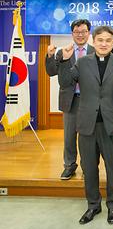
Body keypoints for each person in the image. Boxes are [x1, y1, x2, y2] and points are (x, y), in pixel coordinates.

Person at [58, 26, 113, 225]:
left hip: (112, 124)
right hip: (87, 124)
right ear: (94, 40)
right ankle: (93, 205)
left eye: (108, 40)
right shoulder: (82, 62)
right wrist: (64, 60)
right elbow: (65, 82)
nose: (104, 43)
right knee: (89, 168)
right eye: (100, 40)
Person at [45, 19, 94, 180]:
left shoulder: (95, 52)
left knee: (88, 137)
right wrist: (50, 55)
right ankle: (69, 165)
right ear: (72, 33)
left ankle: (88, 166)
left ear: (89, 33)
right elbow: (51, 71)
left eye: (83, 31)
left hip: (89, 102)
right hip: (70, 101)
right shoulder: (63, 51)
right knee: (69, 137)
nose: (80, 35)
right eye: (76, 32)